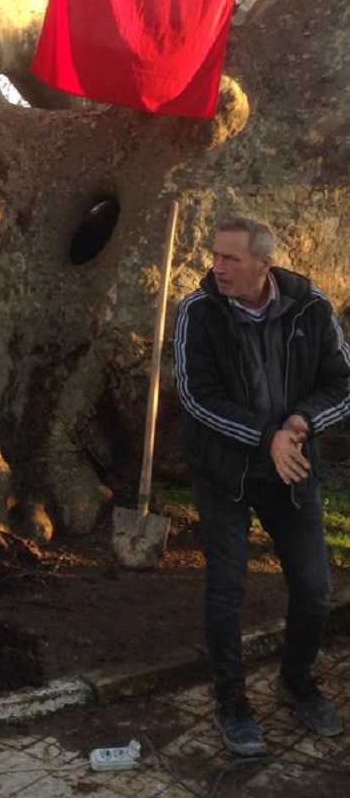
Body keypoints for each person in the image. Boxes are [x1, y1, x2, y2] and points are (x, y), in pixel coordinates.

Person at [174, 214, 350, 757]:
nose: (218, 267)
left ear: (263, 263)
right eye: (215, 255)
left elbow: (342, 382)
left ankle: (296, 680)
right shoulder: (197, 312)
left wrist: (299, 425)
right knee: (227, 590)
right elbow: (195, 394)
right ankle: (232, 701)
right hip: (224, 473)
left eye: (230, 258)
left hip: (291, 468)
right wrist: (265, 436)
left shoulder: (312, 308)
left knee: (316, 587)